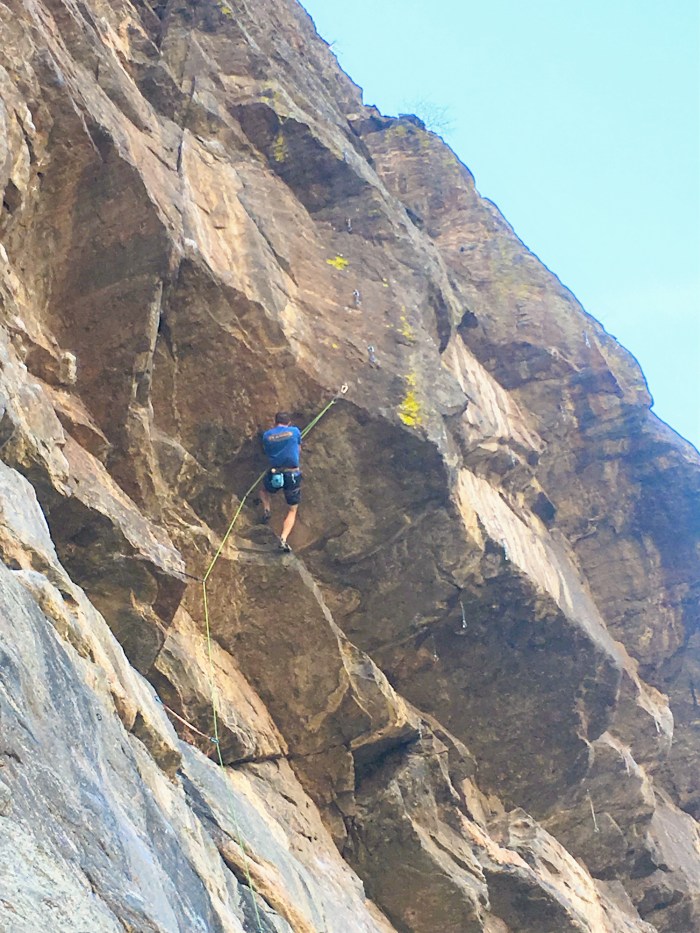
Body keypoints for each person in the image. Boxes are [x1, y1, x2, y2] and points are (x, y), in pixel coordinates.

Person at [259, 412, 302, 552]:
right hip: (292, 473)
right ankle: (283, 539)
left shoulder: (267, 435)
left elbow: (267, 451)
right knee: (292, 509)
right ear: (289, 422)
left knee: (263, 491)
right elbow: (298, 449)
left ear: (275, 422)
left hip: (275, 473)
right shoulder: (295, 431)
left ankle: (267, 509)